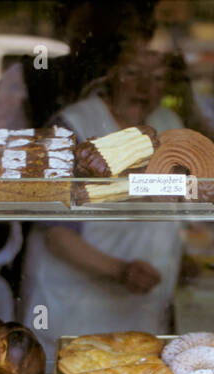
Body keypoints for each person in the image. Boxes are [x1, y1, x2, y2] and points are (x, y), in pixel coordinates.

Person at [17, 41, 183, 341]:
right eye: (132, 73)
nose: (144, 87)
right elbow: (56, 231)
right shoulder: (71, 127)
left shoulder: (169, 125)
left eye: (157, 78)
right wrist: (120, 270)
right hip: (74, 301)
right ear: (109, 76)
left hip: (142, 300)